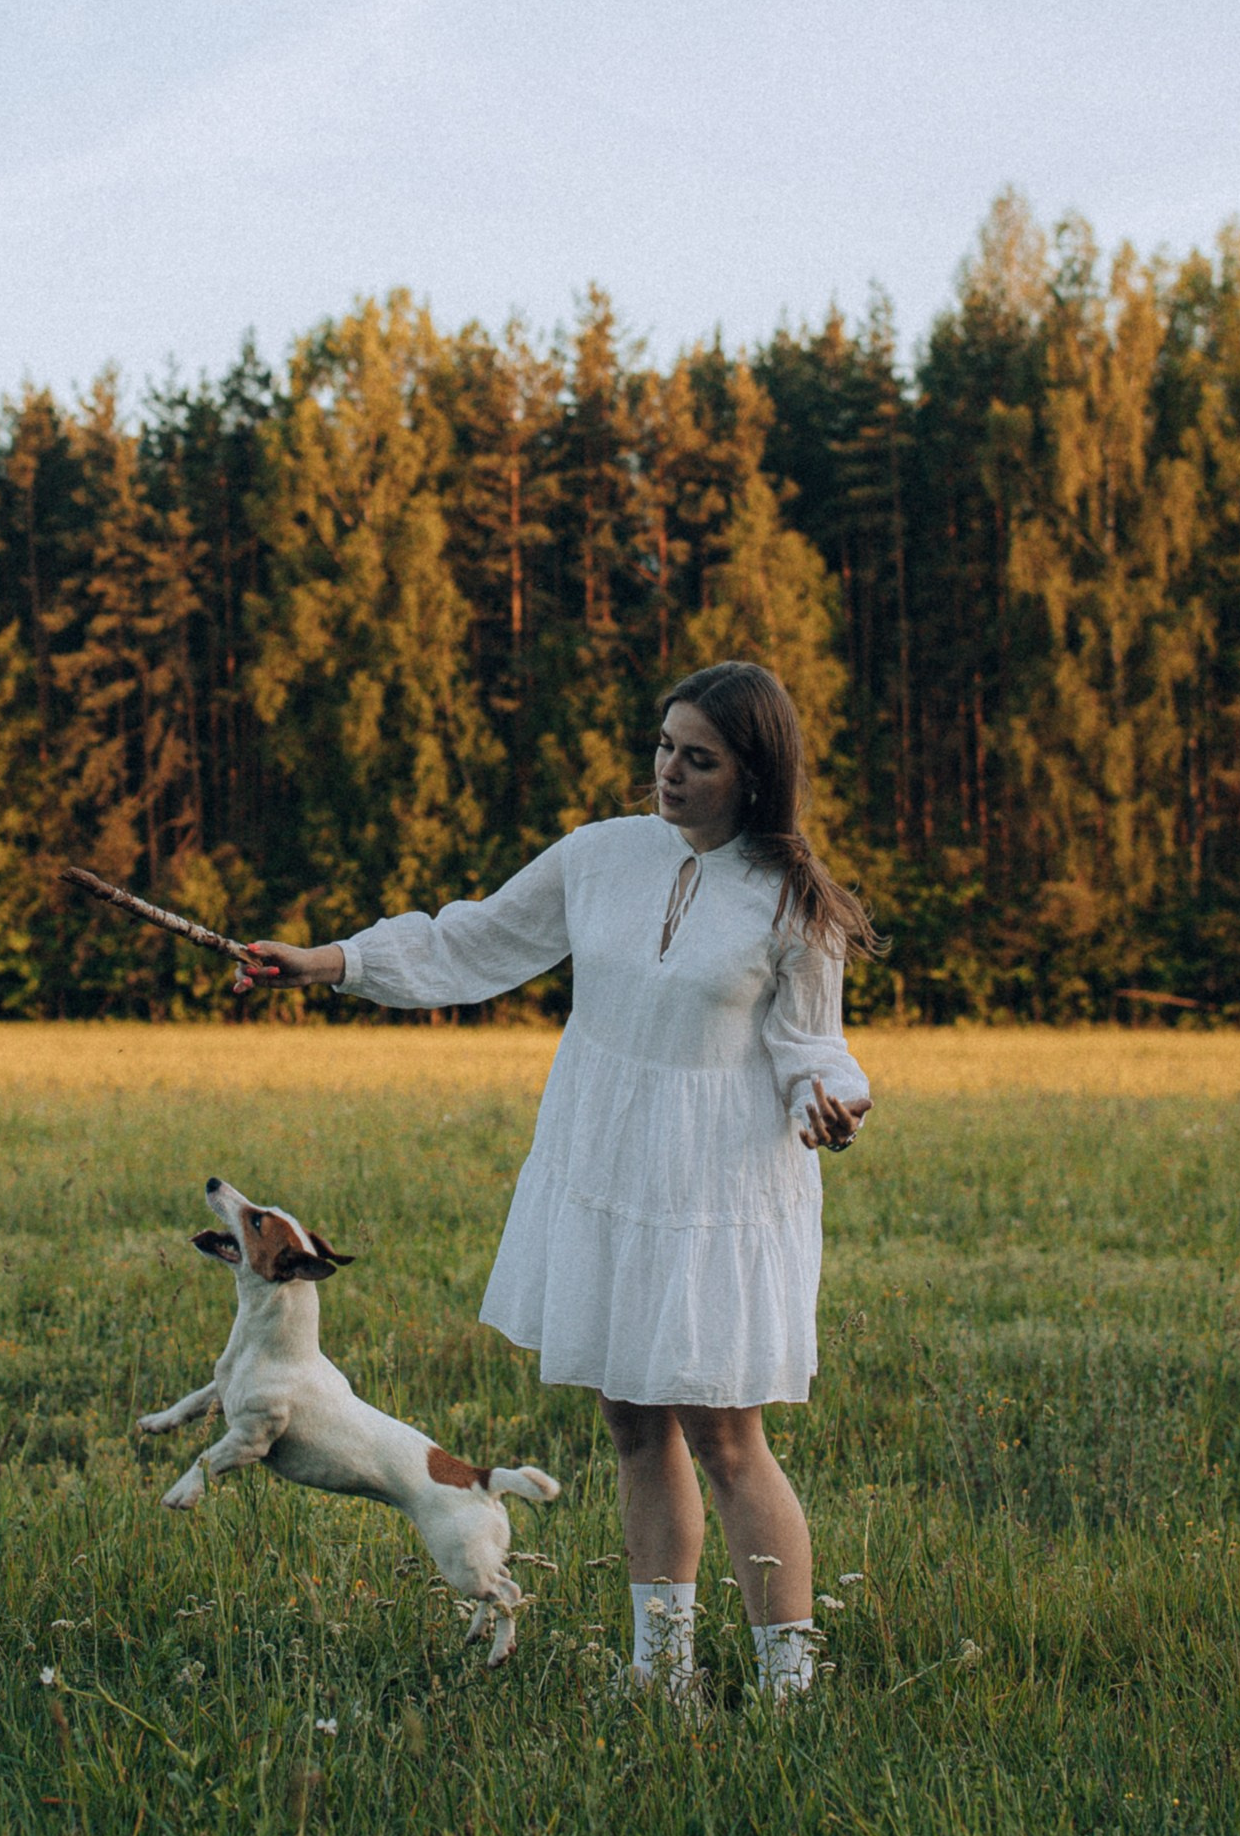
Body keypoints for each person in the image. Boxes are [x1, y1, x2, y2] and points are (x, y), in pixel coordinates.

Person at [239, 662, 876, 1704]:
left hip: (714, 1186)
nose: (667, 771)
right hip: (606, 1162)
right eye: (663, 744)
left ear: (753, 775)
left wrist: (832, 1099)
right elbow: (469, 941)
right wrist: (325, 962)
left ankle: (789, 1687)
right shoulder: (600, 855)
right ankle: (658, 1671)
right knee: (631, 1420)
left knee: (724, 1433)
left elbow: (814, 1048)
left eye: (697, 757)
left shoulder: (792, 902)